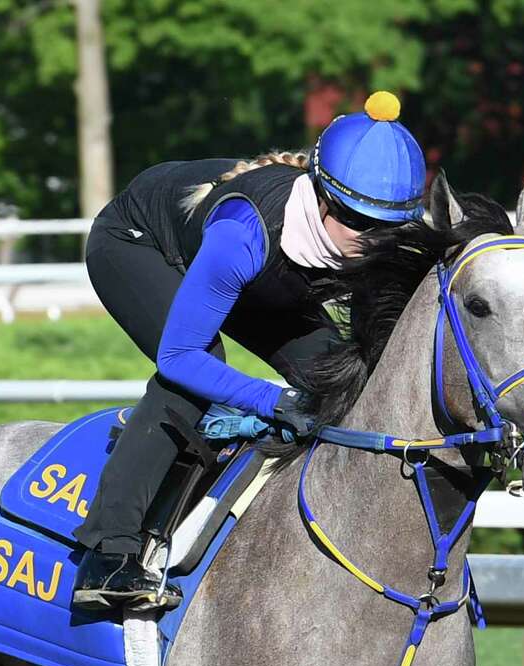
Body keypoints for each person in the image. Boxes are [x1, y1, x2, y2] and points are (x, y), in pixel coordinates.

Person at [71, 91, 427, 611]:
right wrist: (271, 401)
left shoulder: (364, 231)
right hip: (142, 244)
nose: (373, 241)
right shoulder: (243, 231)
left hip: (260, 276)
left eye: (387, 228)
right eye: (359, 221)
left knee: (346, 380)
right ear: (324, 197)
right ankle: (110, 554)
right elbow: (179, 357)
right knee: (200, 373)